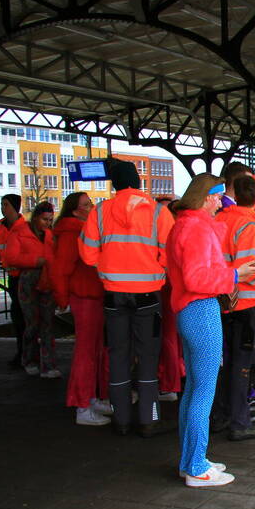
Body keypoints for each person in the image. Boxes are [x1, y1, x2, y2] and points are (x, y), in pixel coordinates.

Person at [167, 173, 255, 487]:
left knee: (194, 390)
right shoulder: (197, 228)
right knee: (203, 392)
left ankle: (191, 461)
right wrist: (235, 275)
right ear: (207, 197)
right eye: (219, 197)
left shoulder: (182, 225)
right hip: (201, 310)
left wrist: (232, 273)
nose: (221, 203)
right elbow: (197, 279)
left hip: (188, 310)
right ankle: (196, 467)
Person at [80, 160, 175, 437]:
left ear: (115, 184)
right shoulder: (158, 213)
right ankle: (148, 419)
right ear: (138, 182)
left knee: (118, 355)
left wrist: (108, 267)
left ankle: (120, 420)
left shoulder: (99, 212)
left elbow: (88, 255)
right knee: (148, 357)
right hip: (148, 295)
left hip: (113, 295)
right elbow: (169, 255)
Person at [214, 174, 255, 441]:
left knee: (224, 361)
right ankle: (240, 422)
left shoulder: (218, 220)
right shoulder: (251, 226)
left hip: (222, 300)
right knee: (243, 364)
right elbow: (249, 269)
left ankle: (221, 415)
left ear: (234, 194)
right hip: (246, 303)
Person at [52, 192, 112, 425]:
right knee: (86, 354)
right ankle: (82, 405)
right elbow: (61, 268)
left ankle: (89, 398)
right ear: (75, 210)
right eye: (86, 205)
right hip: (85, 297)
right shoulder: (72, 233)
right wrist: (62, 298)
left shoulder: (78, 230)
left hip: (91, 296)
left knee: (93, 351)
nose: (91, 207)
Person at [4, 202, 58, 378]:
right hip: (28, 280)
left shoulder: (50, 235)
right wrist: (35, 261)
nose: (47, 223)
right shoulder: (20, 233)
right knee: (32, 323)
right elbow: (10, 257)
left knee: (48, 323)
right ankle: (29, 359)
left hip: (47, 279)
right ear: (35, 218)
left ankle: (48, 365)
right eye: (44, 219)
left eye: (50, 220)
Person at [0, 194, 26, 368]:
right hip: (12, 277)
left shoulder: (25, 228)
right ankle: (22, 352)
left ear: (15, 207)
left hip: (25, 277)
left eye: (6, 204)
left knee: (24, 317)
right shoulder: (0, 229)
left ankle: (27, 352)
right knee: (18, 316)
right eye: (2, 204)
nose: (3, 208)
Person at [155, 195, 184, 402]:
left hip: (166, 286)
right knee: (174, 337)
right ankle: (177, 375)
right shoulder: (182, 232)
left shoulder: (169, 234)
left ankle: (169, 383)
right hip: (175, 287)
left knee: (168, 337)